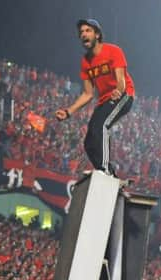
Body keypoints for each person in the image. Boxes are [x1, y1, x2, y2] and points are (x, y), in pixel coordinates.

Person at [55, 19, 134, 176]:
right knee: (89, 142)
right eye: (81, 32)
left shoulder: (113, 51)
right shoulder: (85, 62)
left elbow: (121, 80)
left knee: (102, 126)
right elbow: (88, 93)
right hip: (104, 100)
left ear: (97, 34)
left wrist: (118, 91)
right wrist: (68, 111)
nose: (83, 34)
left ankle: (105, 169)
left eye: (87, 31)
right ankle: (107, 171)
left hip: (123, 95)